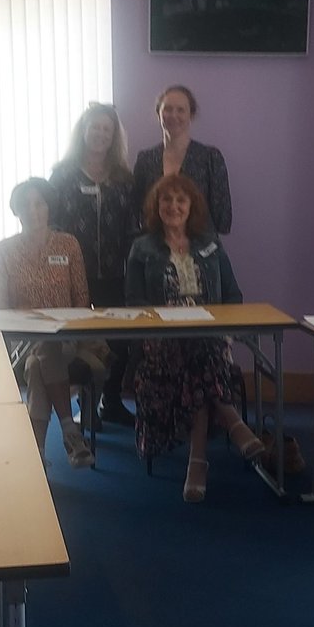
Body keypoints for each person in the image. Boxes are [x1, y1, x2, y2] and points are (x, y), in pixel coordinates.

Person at [125, 173, 262, 502]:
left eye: (180, 200)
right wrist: (164, 323)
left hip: (208, 334)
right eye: (166, 200)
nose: (173, 206)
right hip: (161, 339)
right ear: (156, 207)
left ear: (191, 207)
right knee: (197, 357)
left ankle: (198, 463)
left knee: (202, 350)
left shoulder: (210, 244)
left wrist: (224, 329)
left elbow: (233, 295)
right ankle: (231, 422)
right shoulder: (142, 248)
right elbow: (134, 302)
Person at [0, 177, 109, 467]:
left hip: (67, 338)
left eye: (39, 204)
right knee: (39, 353)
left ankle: (38, 456)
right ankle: (70, 430)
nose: (32, 211)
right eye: (25, 205)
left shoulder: (68, 245)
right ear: (15, 211)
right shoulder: (3, 251)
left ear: (49, 208)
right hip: (21, 342)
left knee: (41, 358)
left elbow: (81, 301)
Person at [50, 102, 137, 426]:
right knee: (81, 340)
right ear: (83, 131)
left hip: (115, 273)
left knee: (119, 340)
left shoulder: (125, 179)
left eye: (107, 129)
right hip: (73, 272)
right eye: (94, 127)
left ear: (114, 137)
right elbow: (53, 225)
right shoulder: (62, 174)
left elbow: (133, 225)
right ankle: (86, 405)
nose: (100, 134)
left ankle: (110, 401)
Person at [132, 85, 232, 236]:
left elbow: (223, 220)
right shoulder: (145, 160)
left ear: (191, 115)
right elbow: (137, 212)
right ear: (158, 114)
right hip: (154, 250)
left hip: (200, 250)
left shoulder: (210, 158)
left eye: (180, 110)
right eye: (168, 109)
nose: (173, 115)